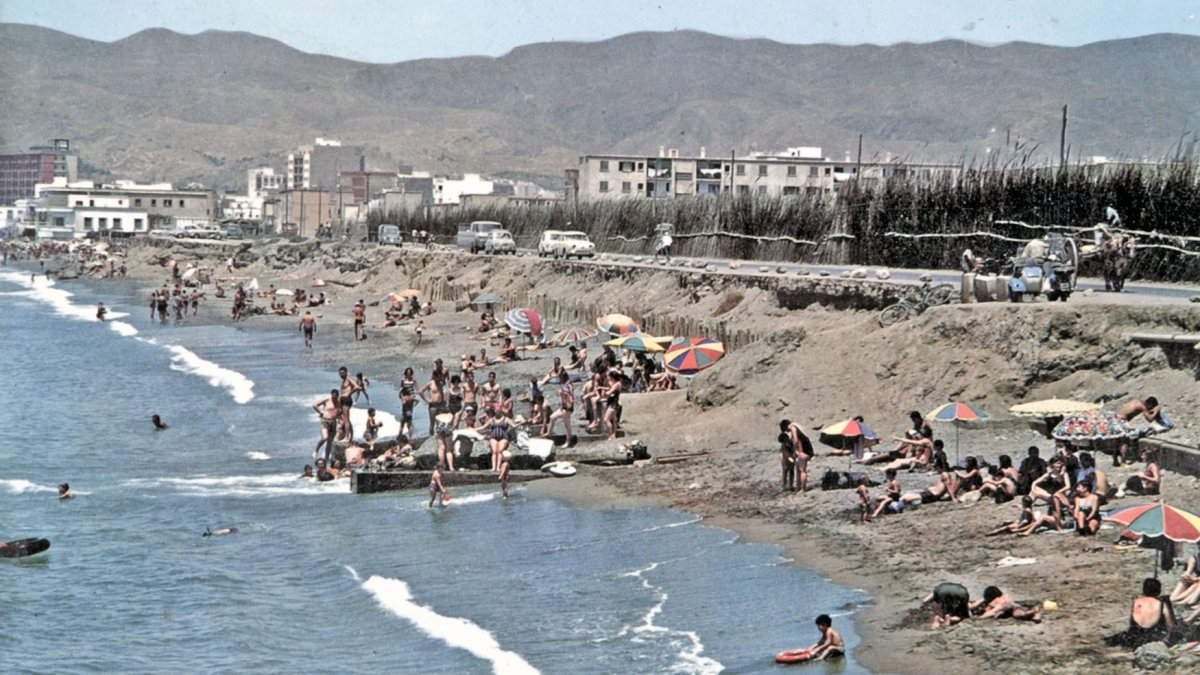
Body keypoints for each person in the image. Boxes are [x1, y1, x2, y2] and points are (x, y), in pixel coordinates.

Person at [1108, 578, 1176, 649]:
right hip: (1153, 638)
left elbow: (1132, 622)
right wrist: (1166, 639)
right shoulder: (1162, 604)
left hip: (1135, 638)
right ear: (1159, 590)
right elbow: (1170, 624)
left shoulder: (1137, 602)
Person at [970, 586, 1042, 622]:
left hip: (1008, 607)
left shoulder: (998, 602)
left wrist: (979, 618)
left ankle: (1035, 612)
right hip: (1012, 606)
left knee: (1018, 614)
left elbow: (992, 612)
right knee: (1018, 613)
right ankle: (1035, 612)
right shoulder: (1003, 597)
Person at [312, 390, 341, 463]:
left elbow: (340, 411)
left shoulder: (339, 402)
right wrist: (320, 412)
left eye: (336, 396)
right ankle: (316, 450)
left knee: (330, 442)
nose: (334, 398)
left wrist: (338, 417)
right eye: (333, 396)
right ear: (331, 395)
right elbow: (315, 405)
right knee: (325, 437)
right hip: (325, 420)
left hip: (333, 423)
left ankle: (327, 459)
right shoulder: (327, 399)